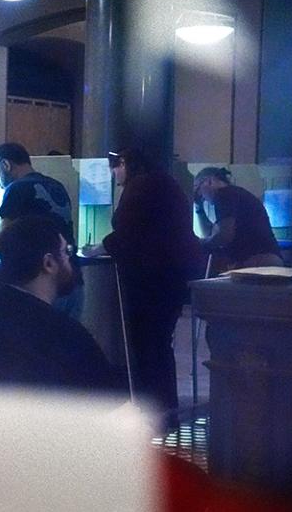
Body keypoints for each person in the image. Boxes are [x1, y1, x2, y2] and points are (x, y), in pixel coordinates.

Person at [0, 216, 126, 394]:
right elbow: (105, 393)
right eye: (65, 252)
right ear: (48, 263)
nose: (70, 260)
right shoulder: (65, 333)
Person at [83, 147, 202, 420]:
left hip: (153, 279)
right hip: (173, 274)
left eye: (115, 166)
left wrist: (100, 247)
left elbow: (129, 232)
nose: (114, 174)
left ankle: (155, 407)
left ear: (125, 162)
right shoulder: (163, 182)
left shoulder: (141, 187)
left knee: (149, 345)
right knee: (159, 343)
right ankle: (164, 405)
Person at [0, 142, 83, 319]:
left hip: (40, 286)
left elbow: (3, 238)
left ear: (5, 165)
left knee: (36, 344)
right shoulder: (57, 186)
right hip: (72, 281)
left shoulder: (16, 189)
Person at [193, 167, 283, 271]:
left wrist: (198, 243)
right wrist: (199, 207)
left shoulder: (224, 194)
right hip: (267, 261)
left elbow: (223, 237)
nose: (199, 195)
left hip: (259, 261)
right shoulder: (234, 195)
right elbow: (211, 235)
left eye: (198, 188)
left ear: (209, 181)